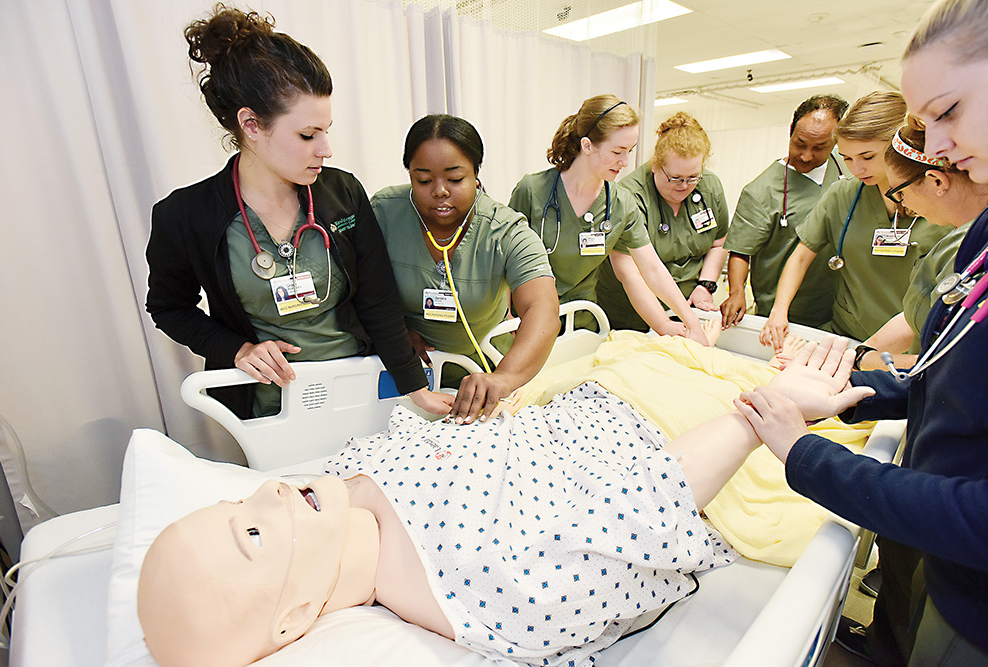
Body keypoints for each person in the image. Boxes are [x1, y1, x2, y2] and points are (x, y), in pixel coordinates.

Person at [136, 341, 869, 667]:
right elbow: (647, 502)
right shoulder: (494, 584)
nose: (268, 488)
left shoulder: (338, 487)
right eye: (255, 532)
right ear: (294, 618)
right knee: (863, 387)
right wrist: (766, 412)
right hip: (669, 420)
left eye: (241, 499)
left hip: (603, 386)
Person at [734, 2, 988, 663]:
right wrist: (852, 386)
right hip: (955, 573)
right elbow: (948, 379)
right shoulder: (977, 246)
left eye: (947, 112)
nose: (932, 148)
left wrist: (807, 457)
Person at [144, 7, 452, 419]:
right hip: (272, 407)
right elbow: (168, 307)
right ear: (251, 125)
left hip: (359, 384)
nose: (325, 149)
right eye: (308, 135)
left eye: (326, 130)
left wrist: (414, 385)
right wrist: (236, 349)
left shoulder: (342, 193)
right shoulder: (185, 216)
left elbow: (379, 300)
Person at [370, 115, 560, 424]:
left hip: (484, 367)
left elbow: (543, 309)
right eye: (423, 179)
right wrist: (393, 332)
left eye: (455, 179)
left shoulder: (505, 231)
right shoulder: (384, 212)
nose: (440, 191)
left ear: (476, 174)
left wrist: (504, 378)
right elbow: (357, 289)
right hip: (403, 368)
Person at [508, 95, 708, 345]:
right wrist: (505, 316)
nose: (625, 162)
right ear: (587, 145)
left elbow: (651, 269)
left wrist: (685, 322)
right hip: (527, 323)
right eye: (617, 151)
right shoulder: (532, 191)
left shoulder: (621, 204)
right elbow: (504, 262)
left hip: (581, 326)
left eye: (630, 151)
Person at [759, 91, 949, 351]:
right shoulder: (845, 193)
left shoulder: (941, 203)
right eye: (846, 158)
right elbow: (801, 255)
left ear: (898, 147)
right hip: (847, 333)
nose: (856, 169)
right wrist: (779, 312)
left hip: (910, 344)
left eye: (867, 157)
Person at [854, 118, 987, 373]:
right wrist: (860, 352)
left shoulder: (970, 250)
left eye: (899, 193)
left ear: (936, 181)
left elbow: (950, 362)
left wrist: (864, 362)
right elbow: (916, 314)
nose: (903, 205)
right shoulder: (955, 239)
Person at [721, 94, 849, 330]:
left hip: (839, 309)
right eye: (800, 144)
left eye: (820, 147)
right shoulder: (762, 190)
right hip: (782, 314)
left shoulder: (850, 169)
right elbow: (740, 250)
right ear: (790, 131)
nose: (806, 156)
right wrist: (737, 291)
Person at [595, 112, 729, 331]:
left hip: (689, 306)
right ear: (655, 165)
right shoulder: (629, 197)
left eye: (693, 177)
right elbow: (633, 273)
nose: (684, 186)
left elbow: (719, 242)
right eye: (675, 178)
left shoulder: (710, 187)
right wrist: (664, 325)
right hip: (633, 314)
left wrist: (705, 285)